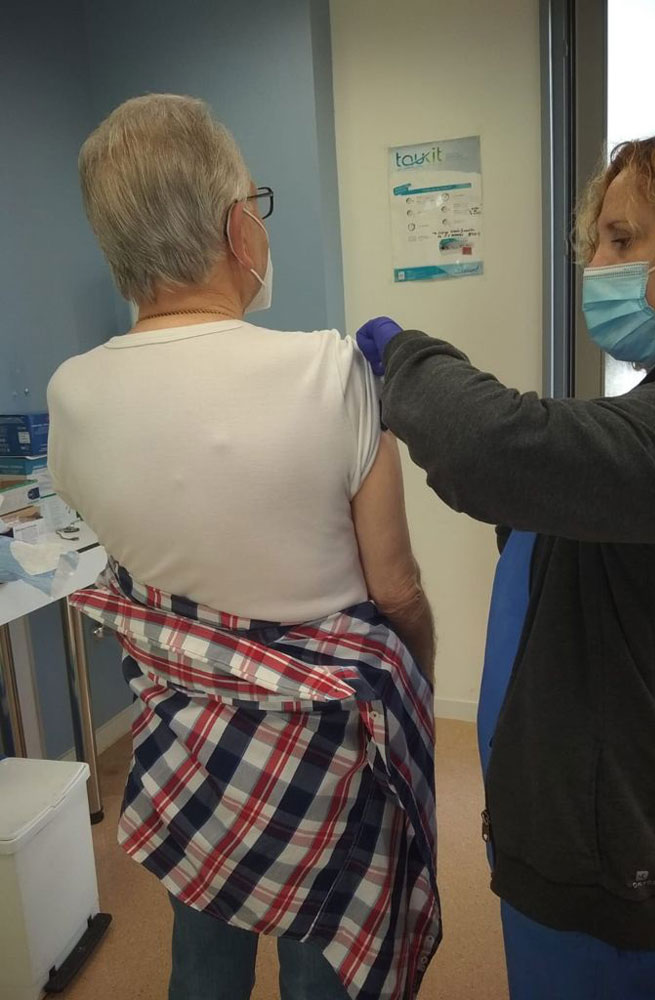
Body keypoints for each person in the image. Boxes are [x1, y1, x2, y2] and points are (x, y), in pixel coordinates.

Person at [47, 94, 439, 1000]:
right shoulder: (334, 371)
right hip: (324, 757)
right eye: (255, 204)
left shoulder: (71, 395)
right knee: (320, 953)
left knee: (204, 951)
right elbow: (397, 590)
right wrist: (417, 673)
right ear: (237, 228)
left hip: (191, 748)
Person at [356, 118, 655, 999]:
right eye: (597, 243)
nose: (597, 267)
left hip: (631, 881)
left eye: (624, 240)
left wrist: (408, 359)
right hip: (597, 834)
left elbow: (495, 447)